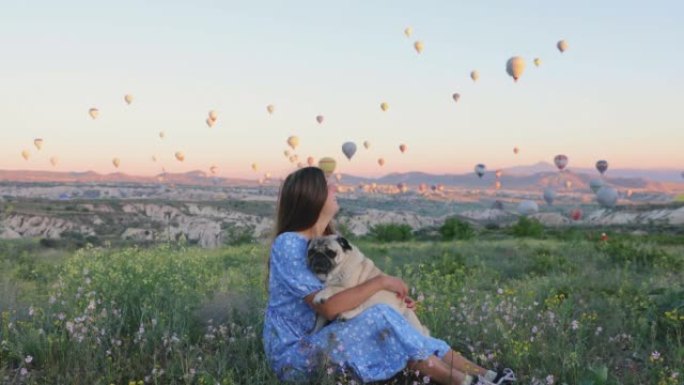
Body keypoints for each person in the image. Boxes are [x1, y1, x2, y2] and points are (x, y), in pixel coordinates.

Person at [262, 167, 514, 385]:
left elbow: (348, 292)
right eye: (328, 186)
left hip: (328, 338)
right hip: (297, 355)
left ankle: (488, 375)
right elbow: (329, 307)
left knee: (397, 317)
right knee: (383, 317)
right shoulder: (289, 243)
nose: (336, 187)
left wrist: (389, 296)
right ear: (312, 197)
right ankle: (461, 381)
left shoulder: (326, 240)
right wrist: (382, 282)